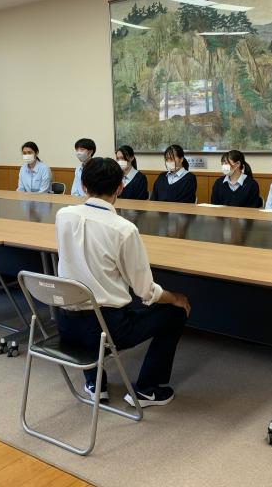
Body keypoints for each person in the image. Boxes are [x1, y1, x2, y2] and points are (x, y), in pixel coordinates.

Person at [55, 157, 191, 407]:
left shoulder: (63, 216)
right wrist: (176, 297)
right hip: (107, 330)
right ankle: (147, 389)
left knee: (86, 296)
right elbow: (145, 291)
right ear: (120, 187)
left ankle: (95, 383)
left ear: (83, 186)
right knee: (175, 312)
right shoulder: (123, 229)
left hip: (65, 325)